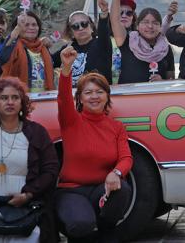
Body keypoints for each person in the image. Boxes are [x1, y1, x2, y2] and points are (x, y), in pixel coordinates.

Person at [0, 40, 60, 243]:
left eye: (15, 97)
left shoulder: (37, 133)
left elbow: (50, 170)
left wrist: (29, 195)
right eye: (4, 98)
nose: (10, 102)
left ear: (22, 103)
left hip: (26, 208)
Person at [55, 46, 133, 243]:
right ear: (80, 98)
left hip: (101, 189)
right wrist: (66, 69)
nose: (94, 96)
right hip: (72, 190)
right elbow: (63, 99)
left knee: (122, 189)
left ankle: (106, 231)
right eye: (88, 92)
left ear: (107, 96)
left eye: (99, 92)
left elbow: (126, 158)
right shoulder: (71, 120)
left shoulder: (116, 127)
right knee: (81, 225)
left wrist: (115, 173)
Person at [110, 0, 175, 83]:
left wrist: (163, 81)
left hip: (157, 97)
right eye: (145, 22)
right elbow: (115, 21)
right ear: (137, 25)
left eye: (155, 23)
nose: (150, 26)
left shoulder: (166, 49)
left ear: (159, 27)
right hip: (129, 97)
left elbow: (171, 79)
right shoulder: (127, 41)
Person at [0, 11, 55, 92]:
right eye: (26, 25)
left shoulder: (43, 48)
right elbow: (2, 58)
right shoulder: (13, 46)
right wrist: (17, 29)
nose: (31, 27)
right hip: (20, 99)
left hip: (45, 98)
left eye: (34, 25)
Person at [52, 0, 112, 85]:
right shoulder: (67, 49)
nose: (80, 28)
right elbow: (48, 62)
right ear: (71, 32)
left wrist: (104, 12)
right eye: (75, 26)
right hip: (74, 96)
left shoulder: (101, 43)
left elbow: (103, 29)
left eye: (84, 24)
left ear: (91, 26)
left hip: (97, 94)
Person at [109, 0, 137, 84]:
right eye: (120, 12)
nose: (124, 15)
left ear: (133, 18)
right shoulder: (103, 40)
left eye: (129, 13)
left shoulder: (140, 39)